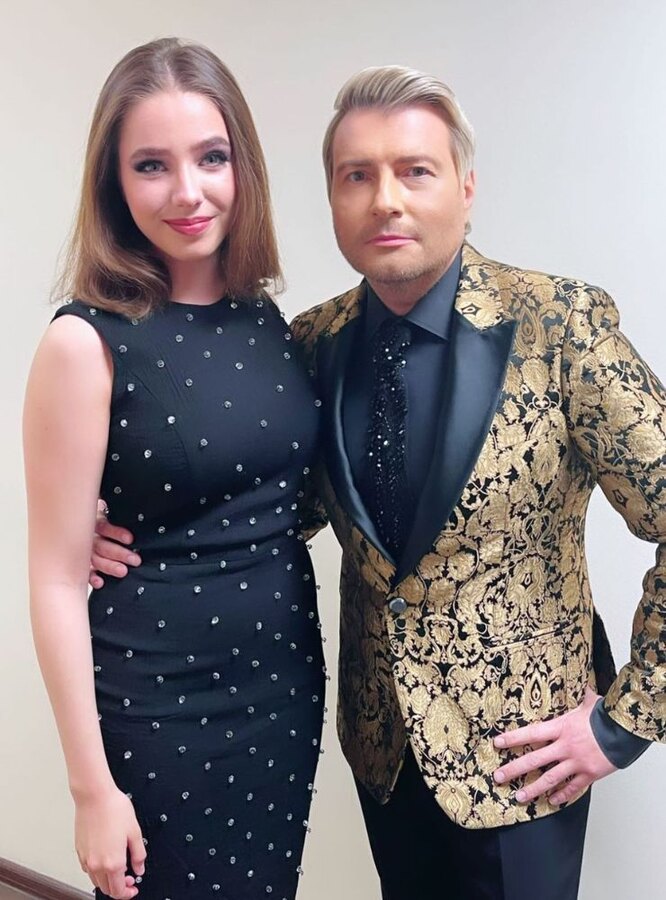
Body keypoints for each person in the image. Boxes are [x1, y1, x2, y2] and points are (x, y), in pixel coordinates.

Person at [92, 66, 666, 899]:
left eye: (415, 171)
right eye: (356, 176)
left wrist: (623, 723)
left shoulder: (560, 325)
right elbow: (263, 506)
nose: (385, 201)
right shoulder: (309, 343)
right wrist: (110, 523)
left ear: (466, 188)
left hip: (528, 760)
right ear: (333, 199)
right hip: (383, 749)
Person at [23, 37, 325, 900]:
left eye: (211, 157)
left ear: (243, 167)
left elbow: (272, 499)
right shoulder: (84, 342)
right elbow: (53, 580)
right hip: (158, 707)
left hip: (281, 692)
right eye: (151, 165)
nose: (188, 192)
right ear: (113, 184)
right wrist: (91, 790)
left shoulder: (266, 322)